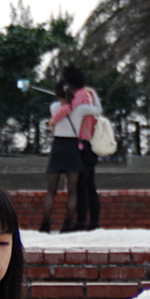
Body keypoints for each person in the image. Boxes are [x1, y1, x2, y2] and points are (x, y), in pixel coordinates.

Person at [40, 65, 99, 233]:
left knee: (51, 191)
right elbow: (95, 110)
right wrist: (85, 96)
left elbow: (54, 122)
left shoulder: (54, 108)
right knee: (72, 192)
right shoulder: (80, 109)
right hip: (73, 147)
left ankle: (45, 224)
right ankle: (68, 224)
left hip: (58, 146)